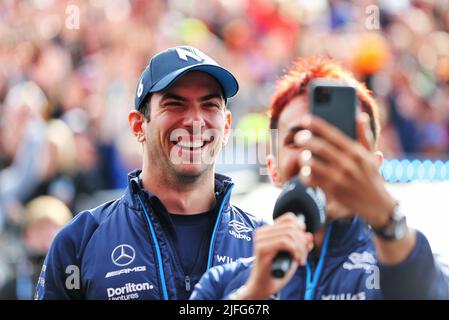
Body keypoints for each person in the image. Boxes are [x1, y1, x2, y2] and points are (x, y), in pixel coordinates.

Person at [190, 56, 449, 300]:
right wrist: (253, 294)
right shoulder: (225, 282)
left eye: (336, 137)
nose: (314, 152)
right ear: (273, 168)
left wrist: (387, 219)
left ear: (374, 167)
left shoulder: (409, 264)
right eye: (297, 138)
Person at [35, 45, 266, 300]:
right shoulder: (79, 241)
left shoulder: (264, 245)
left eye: (210, 105)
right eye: (175, 104)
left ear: (227, 126)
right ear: (138, 126)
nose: (195, 121)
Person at [0, 196, 72, 300]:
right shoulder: (14, 280)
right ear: (26, 235)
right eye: (39, 231)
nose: (44, 238)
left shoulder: (72, 275)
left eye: (50, 231)